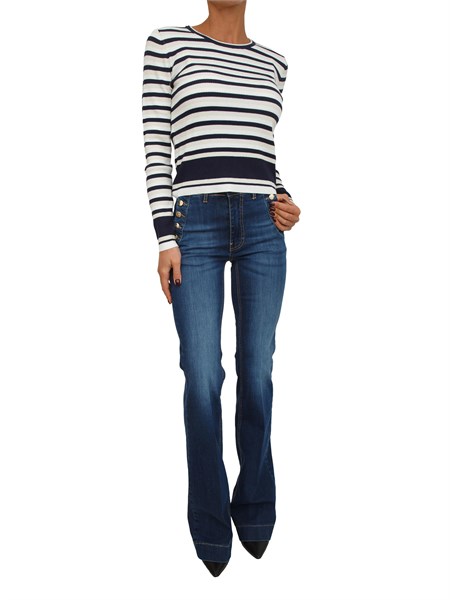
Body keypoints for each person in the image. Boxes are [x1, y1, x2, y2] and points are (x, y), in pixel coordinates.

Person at [141, 0, 300, 577]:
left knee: (257, 370)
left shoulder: (274, 63)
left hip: (261, 226)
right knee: (203, 374)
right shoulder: (167, 45)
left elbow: (259, 153)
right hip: (195, 228)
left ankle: (255, 505)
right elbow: (157, 145)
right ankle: (210, 521)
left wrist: (285, 198)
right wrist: (166, 237)